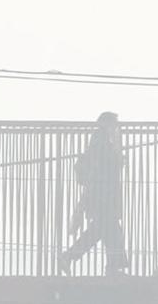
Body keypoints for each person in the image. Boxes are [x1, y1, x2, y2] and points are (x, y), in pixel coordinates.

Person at [58, 111, 128, 276]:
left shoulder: (98, 142)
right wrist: (119, 159)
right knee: (108, 231)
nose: (116, 129)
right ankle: (110, 268)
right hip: (103, 197)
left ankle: (70, 258)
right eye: (114, 125)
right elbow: (107, 169)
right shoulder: (103, 144)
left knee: (102, 231)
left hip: (99, 197)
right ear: (108, 125)